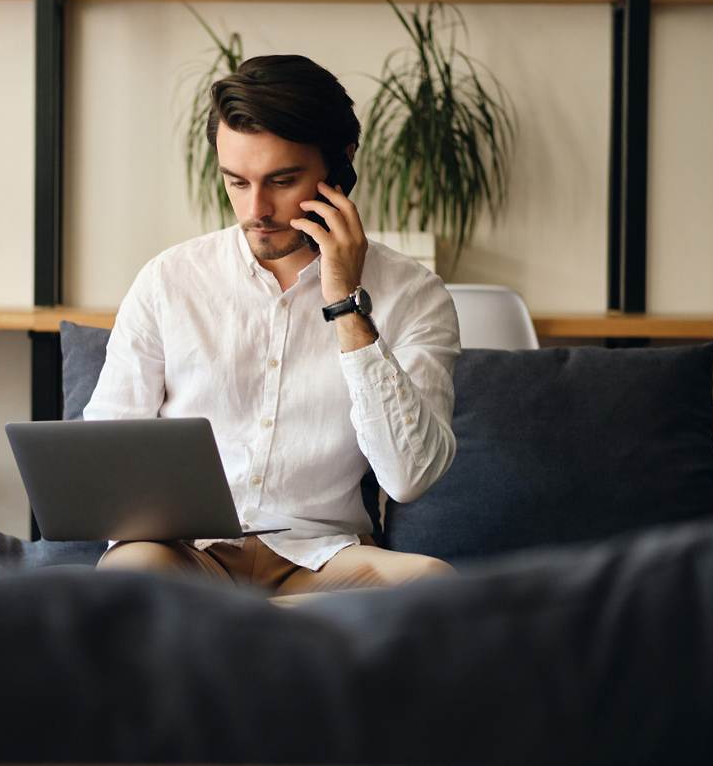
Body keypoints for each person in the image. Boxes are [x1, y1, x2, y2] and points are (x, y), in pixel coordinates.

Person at [86, 54, 461, 595]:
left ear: (342, 166)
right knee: (127, 579)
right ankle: (265, 635)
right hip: (184, 556)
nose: (256, 209)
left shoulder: (414, 294)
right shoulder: (168, 279)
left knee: (434, 585)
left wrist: (348, 308)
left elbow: (409, 477)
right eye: (236, 182)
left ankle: (230, 633)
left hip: (321, 561)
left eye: (282, 181)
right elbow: (105, 456)